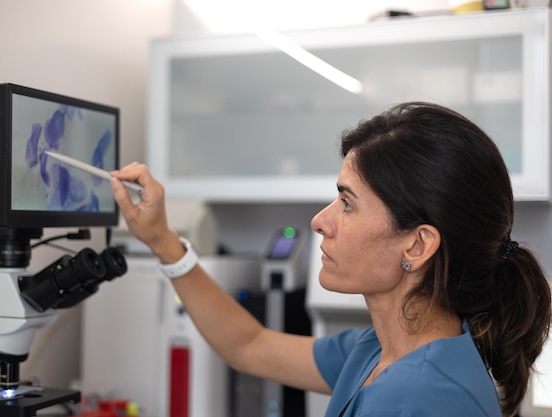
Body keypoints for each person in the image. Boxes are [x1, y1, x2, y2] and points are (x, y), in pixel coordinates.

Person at [110, 102, 551, 417]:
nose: (320, 221)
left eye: (347, 203)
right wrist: (164, 241)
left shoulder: (417, 399)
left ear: (416, 246)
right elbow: (251, 346)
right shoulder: (380, 350)